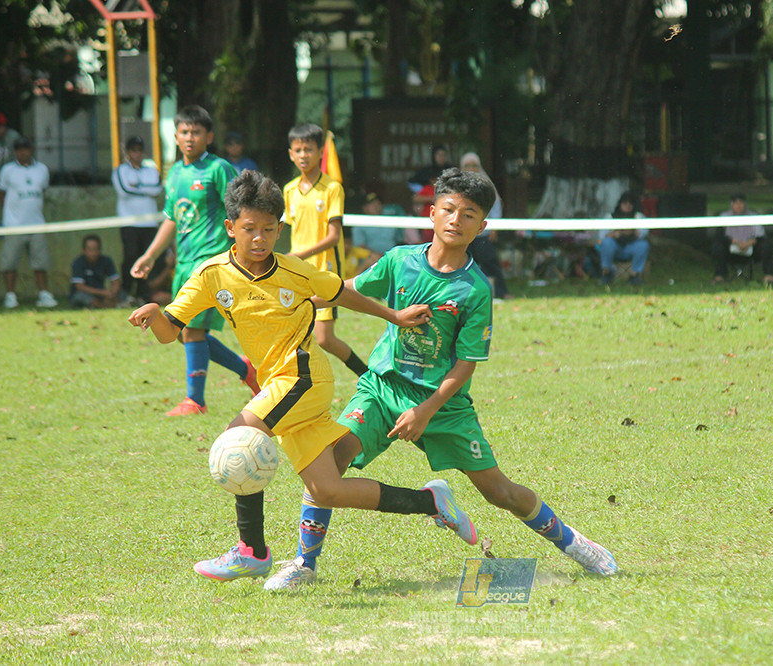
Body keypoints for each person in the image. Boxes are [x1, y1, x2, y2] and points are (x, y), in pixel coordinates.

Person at [263, 168, 617, 590]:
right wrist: (287, 295)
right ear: (431, 213)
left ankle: (576, 544)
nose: (456, 220)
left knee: (499, 493)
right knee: (331, 462)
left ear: (482, 227)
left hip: (443, 405)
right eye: (448, 209)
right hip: (383, 387)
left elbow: (465, 365)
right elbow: (347, 288)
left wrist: (425, 411)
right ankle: (305, 564)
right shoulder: (399, 261)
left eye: (469, 215)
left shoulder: (475, 290)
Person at [127, 170, 476, 582]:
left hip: (302, 378)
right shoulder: (211, 276)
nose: (259, 239)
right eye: (249, 229)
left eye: (269, 230)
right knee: (328, 490)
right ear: (230, 228)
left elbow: (342, 292)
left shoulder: (295, 271)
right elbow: (173, 331)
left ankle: (252, 551)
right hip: (278, 385)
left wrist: (393, 315)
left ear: (280, 230)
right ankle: (431, 503)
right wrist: (155, 314)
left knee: (238, 437)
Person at [130, 105, 259, 416]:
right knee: (182, 331)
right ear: (176, 136)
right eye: (185, 132)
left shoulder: (218, 169)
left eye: (196, 132)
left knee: (192, 331)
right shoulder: (175, 173)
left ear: (209, 136)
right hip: (185, 262)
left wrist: (243, 250)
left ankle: (195, 401)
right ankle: (246, 370)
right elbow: (172, 218)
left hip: (210, 260)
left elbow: (239, 209)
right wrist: (150, 255)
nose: (190, 137)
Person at [283, 123, 368, 378]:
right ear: (290, 153)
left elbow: (333, 237)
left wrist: (300, 255)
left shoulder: (332, 188)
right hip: (298, 272)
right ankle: (298, 383)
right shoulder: (289, 190)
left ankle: (367, 376)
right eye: (298, 150)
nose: (303, 155)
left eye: (308, 149)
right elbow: (296, 233)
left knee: (325, 338)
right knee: (293, 332)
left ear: (321, 152)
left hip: (324, 270)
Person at [0, 135, 56, 309]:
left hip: (37, 223)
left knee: (40, 262)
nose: (23, 152)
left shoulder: (42, 170)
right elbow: (1, 194)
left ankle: (44, 294)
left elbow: (42, 192)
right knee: (10, 263)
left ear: (31, 150)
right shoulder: (7, 170)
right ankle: (10, 296)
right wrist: (9, 215)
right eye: (19, 149)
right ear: (15, 151)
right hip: (13, 225)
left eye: (26, 148)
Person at [113, 136, 163, 303]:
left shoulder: (151, 170)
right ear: (128, 152)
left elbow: (157, 189)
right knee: (130, 256)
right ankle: (126, 292)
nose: (137, 153)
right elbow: (124, 190)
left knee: (148, 257)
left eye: (140, 150)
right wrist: (145, 189)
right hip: (129, 222)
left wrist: (137, 186)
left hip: (149, 222)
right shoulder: (120, 170)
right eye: (134, 150)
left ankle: (143, 293)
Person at [460, 152, 511, 300]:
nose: (471, 168)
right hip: (464, 233)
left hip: (484, 232)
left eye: (474, 166)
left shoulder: (487, 185)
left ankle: (500, 292)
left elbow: (495, 207)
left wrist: (494, 228)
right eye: (467, 166)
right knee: (463, 263)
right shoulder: (457, 186)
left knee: (490, 262)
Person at [711, 193, 773, 285]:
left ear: (745, 204)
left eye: (741, 202)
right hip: (731, 250)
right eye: (736, 203)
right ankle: (720, 276)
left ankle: (769, 275)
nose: (738, 205)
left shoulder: (753, 216)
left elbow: (760, 236)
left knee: (767, 245)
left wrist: (747, 244)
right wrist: (736, 242)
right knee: (717, 246)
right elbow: (720, 236)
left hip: (751, 249)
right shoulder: (724, 217)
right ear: (731, 204)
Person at [598, 191, 650, 286]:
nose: (628, 206)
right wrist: (614, 234)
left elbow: (643, 232)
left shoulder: (638, 217)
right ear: (620, 204)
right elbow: (602, 235)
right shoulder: (610, 217)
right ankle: (606, 274)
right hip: (615, 246)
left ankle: (634, 276)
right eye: (625, 203)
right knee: (606, 243)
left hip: (631, 246)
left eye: (630, 204)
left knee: (643, 245)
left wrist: (630, 232)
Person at [351, 191, 403, 273]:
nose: (376, 206)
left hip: (392, 258)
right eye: (372, 204)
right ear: (365, 208)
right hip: (371, 260)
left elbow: (399, 240)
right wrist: (379, 256)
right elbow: (360, 246)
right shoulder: (360, 223)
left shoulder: (390, 219)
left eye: (378, 203)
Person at [69, 234, 120, 309]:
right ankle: (102, 305)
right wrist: (103, 292)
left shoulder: (106, 260)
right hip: (86, 293)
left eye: (95, 249)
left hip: (101, 294)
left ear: (100, 250)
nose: (92, 253)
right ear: (83, 250)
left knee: (121, 293)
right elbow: (79, 287)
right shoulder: (78, 262)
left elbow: (115, 281)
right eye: (90, 249)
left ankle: (111, 303)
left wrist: (112, 294)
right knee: (81, 296)